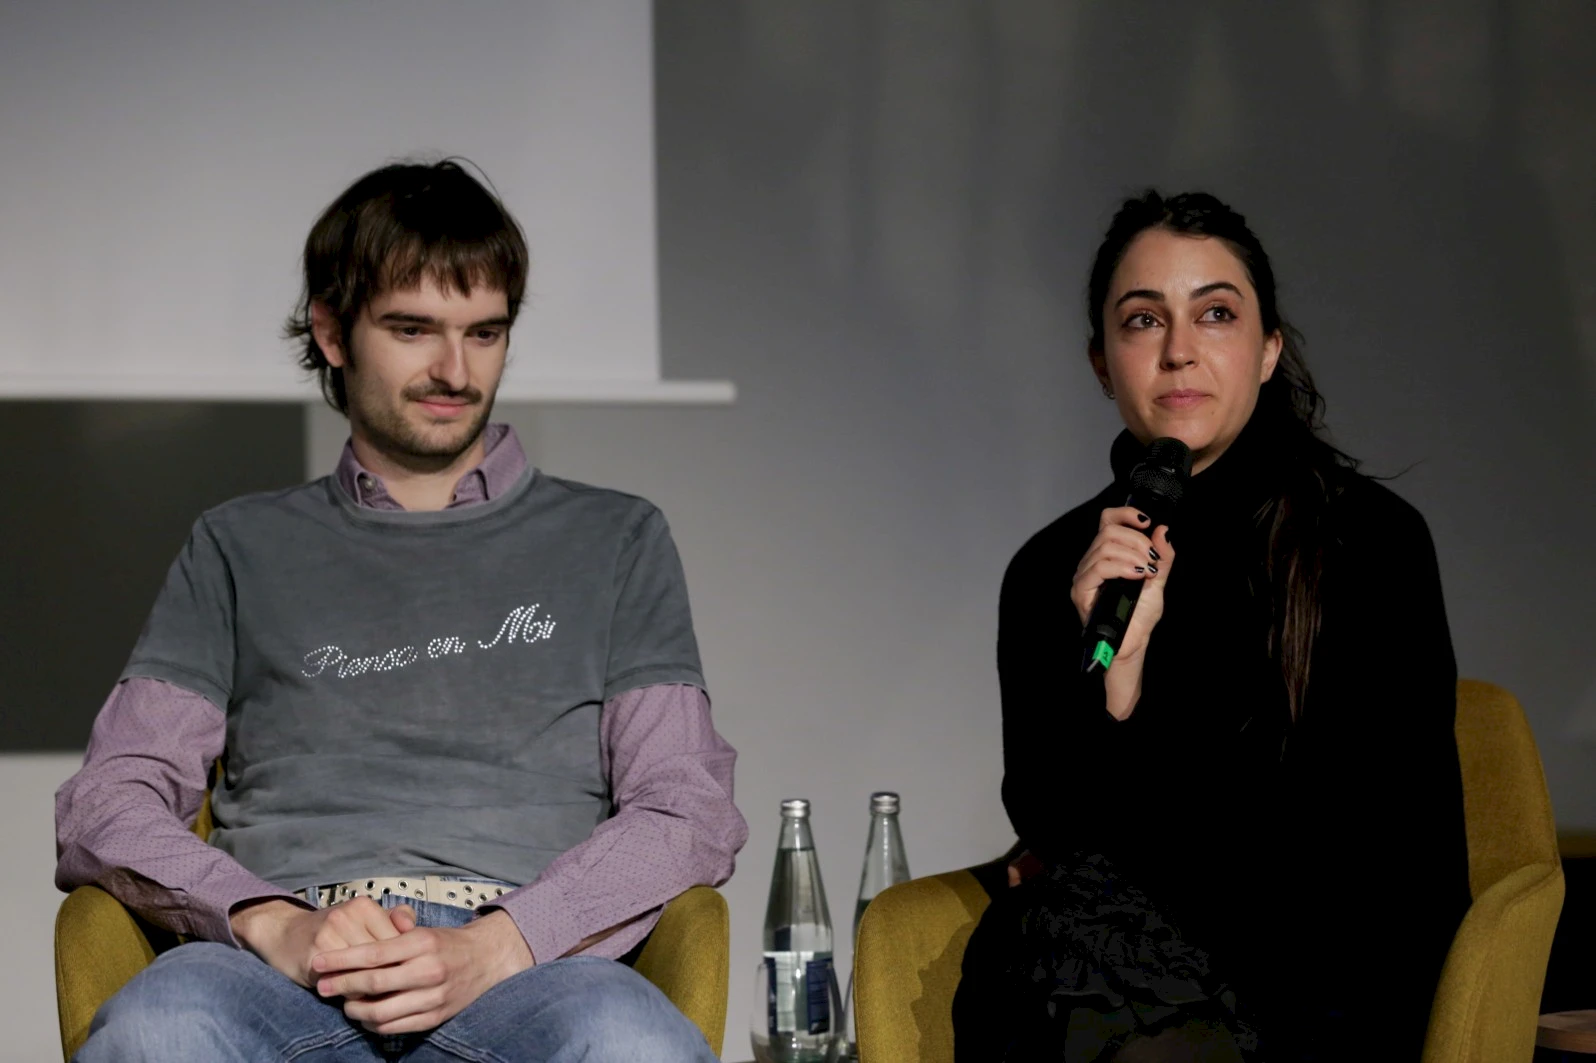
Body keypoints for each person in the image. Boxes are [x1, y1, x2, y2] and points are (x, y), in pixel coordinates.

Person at [55, 160, 747, 1062]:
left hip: (527, 970)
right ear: (333, 331)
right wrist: (270, 922)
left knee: (634, 1042)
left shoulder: (617, 539)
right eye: (413, 329)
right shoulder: (238, 544)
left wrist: (503, 939)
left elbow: (685, 805)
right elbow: (109, 795)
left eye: (485, 332)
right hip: (281, 966)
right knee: (157, 1031)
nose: (455, 370)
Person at [951, 191, 1470, 1062]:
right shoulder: (1057, 571)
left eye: (1216, 314)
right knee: (1045, 941)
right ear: (1101, 362)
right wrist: (1116, 681)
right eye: (1143, 319)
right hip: (1117, 978)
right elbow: (1060, 828)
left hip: (1332, 981)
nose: (1179, 350)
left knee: (1057, 941)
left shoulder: (1369, 541)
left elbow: (1365, 847)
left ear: (1268, 351)